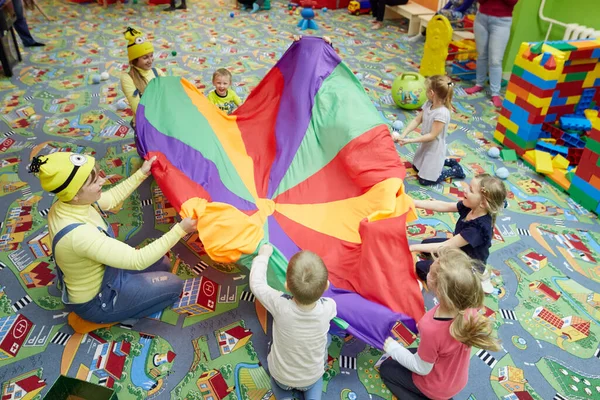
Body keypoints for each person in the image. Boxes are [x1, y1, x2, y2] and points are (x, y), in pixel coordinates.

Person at [28, 152, 197, 324]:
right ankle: (110, 316)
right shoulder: (79, 235)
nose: (102, 180)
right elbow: (138, 260)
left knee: (164, 263)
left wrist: (142, 173)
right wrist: (181, 229)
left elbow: (111, 198)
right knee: (174, 286)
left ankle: (128, 296)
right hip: (98, 300)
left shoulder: (68, 203)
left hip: (107, 273)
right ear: (75, 194)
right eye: (94, 182)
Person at [379, 248, 500, 400]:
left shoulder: (431, 329)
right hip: (456, 379)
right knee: (409, 353)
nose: (427, 270)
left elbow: (421, 368)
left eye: (429, 270)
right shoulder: (468, 306)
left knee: (387, 369)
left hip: (434, 386)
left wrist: (392, 348)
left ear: (438, 288)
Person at [250, 244, 336, 400]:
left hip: (282, 377)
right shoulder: (329, 307)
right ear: (327, 286)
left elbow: (257, 285)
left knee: (279, 383)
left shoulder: (280, 305)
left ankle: (284, 396)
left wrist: (263, 256)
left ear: (286, 286)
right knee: (327, 339)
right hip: (311, 377)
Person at [409, 173, 507, 293]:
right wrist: (414, 202)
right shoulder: (471, 206)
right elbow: (443, 205)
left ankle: (474, 280)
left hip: (465, 263)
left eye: (470, 190)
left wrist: (412, 247)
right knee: (426, 244)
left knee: (422, 269)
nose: (465, 190)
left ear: (483, 203)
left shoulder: (478, 229)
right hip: (458, 250)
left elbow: (446, 245)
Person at [395, 75, 465, 186]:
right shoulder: (429, 103)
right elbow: (417, 119)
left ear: (431, 93)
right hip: (425, 144)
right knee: (416, 167)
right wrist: (403, 134)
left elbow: (432, 136)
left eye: (426, 90)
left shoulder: (442, 113)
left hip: (434, 147)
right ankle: (445, 161)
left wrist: (409, 141)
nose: (425, 92)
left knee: (425, 181)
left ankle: (454, 171)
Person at [464, 0, 519, 108]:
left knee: (495, 60)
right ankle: (479, 84)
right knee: (482, 55)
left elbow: (511, 2)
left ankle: (495, 93)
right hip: (481, 18)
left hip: (502, 22)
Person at [120, 27, 165, 128]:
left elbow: (168, 93)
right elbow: (137, 106)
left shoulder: (157, 72)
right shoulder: (127, 78)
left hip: (162, 116)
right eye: (145, 58)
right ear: (135, 60)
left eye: (151, 55)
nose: (150, 60)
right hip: (145, 121)